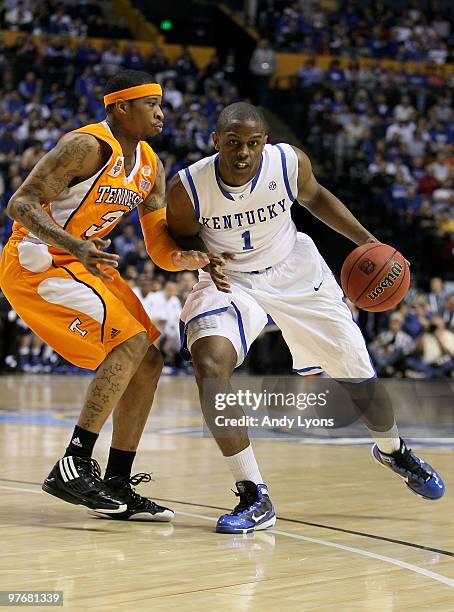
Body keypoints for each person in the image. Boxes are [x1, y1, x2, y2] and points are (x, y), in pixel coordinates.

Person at [166, 102, 445, 534]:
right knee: (209, 362)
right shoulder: (187, 187)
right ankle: (253, 493)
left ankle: (393, 450)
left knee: (358, 375)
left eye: (253, 143)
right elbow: (181, 234)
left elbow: (314, 197)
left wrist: (369, 242)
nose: (244, 152)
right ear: (216, 140)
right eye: (234, 142)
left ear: (265, 142)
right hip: (232, 279)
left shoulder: (287, 161)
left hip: (297, 270)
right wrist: (202, 258)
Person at [0, 69, 209, 520]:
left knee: (149, 359)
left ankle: (116, 479)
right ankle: (73, 462)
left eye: (161, 103)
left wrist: (187, 259)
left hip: (84, 263)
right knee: (128, 342)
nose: (160, 112)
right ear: (119, 108)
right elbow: (20, 203)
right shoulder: (86, 146)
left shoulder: (151, 166)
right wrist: (72, 243)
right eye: (150, 104)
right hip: (38, 260)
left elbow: (158, 248)